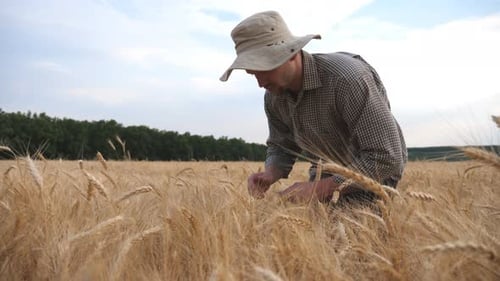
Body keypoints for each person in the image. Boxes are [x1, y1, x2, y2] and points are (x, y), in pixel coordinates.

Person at [220, 11, 407, 204]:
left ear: (290, 54)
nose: (260, 83)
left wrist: (319, 188)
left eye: (264, 69)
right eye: (253, 73)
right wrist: (270, 172)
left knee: (348, 230)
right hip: (323, 175)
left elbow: (386, 158)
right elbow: (280, 145)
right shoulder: (273, 97)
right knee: (290, 228)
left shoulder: (347, 79)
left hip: (373, 179)